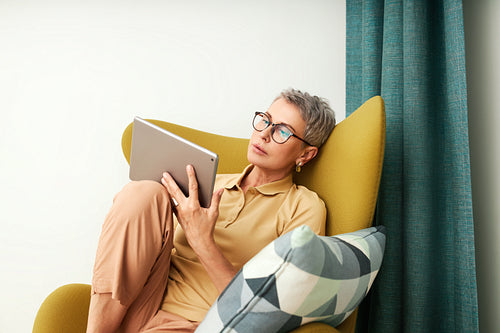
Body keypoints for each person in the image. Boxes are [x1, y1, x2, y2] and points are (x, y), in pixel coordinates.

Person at [86, 88, 336, 333]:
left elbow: (272, 312)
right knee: (143, 192)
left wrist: (201, 240)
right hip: (139, 305)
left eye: (282, 131)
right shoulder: (209, 183)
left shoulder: (303, 208)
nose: (264, 135)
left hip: (200, 325)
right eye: (265, 120)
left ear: (305, 154)